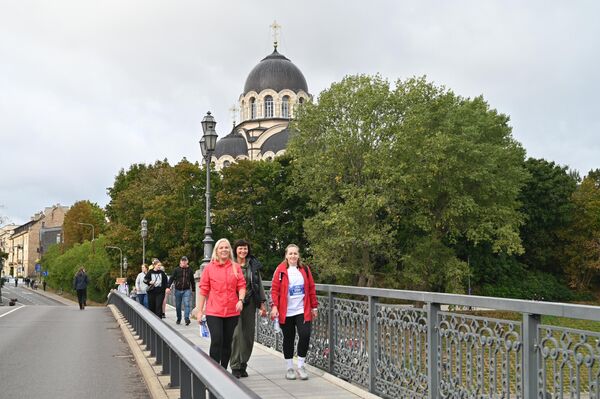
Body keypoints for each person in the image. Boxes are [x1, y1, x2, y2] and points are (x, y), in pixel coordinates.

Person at [270, 244, 318, 381]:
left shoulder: (305, 270)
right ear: (286, 255)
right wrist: (274, 306)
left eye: (295, 254)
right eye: (290, 253)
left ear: (298, 255)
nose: (293, 256)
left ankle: (301, 365)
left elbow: (311, 288)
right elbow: (274, 290)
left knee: (305, 335)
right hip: (286, 311)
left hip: (302, 309)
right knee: (289, 339)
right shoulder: (280, 270)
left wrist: (314, 307)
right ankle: (289, 367)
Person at [196, 238, 246, 371]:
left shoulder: (235, 267)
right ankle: (214, 370)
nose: (224, 250)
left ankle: (223, 370)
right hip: (214, 311)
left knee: (227, 342)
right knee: (217, 339)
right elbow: (203, 290)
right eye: (221, 248)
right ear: (216, 251)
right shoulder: (209, 268)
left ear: (229, 250)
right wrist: (200, 311)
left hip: (232, 310)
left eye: (226, 247)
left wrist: (240, 300)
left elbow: (241, 285)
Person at [230, 239, 267, 378]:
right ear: (235, 250)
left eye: (245, 249)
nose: (243, 251)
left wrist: (262, 303)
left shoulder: (253, 264)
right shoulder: (230, 263)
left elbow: (259, 283)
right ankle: (235, 365)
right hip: (233, 302)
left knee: (248, 335)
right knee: (235, 335)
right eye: (240, 249)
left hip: (250, 302)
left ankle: (243, 364)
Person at [167, 256, 196, 325]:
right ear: (180, 262)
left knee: (187, 304)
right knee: (178, 305)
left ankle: (186, 318)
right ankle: (179, 318)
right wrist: (168, 287)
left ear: (187, 262)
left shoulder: (190, 270)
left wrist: (193, 289)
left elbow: (192, 280)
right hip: (178, 290)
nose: (183, 262)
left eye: (185, 261)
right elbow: (171, 278)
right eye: (182, 261)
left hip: (187, 290)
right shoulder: (176, 270)